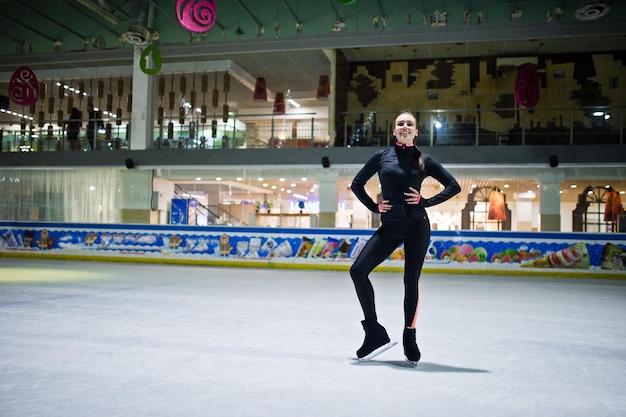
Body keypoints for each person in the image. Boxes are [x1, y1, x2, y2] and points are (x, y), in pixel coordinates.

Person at [350, 111, 461, 364]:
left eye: (409, 124)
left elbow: (454, 186)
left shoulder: (424, 160)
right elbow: (357, 184)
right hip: (390, 226)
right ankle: (374, 332)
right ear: (394, 130)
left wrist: (426, 201)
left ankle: (409, 335)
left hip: (416, 226)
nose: (404, 127)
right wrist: (374, 207)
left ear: (416, 131)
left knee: (411, 280)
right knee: (358, 271)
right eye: (400, 123)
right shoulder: (381, 157)